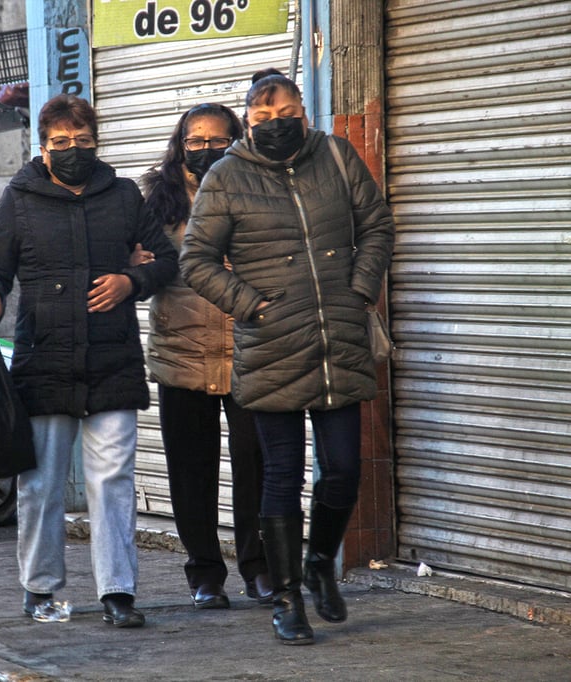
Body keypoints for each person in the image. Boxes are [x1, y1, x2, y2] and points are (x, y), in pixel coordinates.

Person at [180, 69, 395, 645]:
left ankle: (319, 563)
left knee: (345, 471)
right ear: (247, 122)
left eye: (286, 113)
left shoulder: (337, 156)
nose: (276, 125)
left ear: (303, 109)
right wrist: (252, 308)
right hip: (273, 346)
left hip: (337, 340)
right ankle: (287, 598)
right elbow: (196, 261)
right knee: (282, 475)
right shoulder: (226, 177)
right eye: (263, 117)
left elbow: (375, 225)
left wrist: (358, 290)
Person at [0, 94, 177, 628]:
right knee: (39, 483)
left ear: (96, 143)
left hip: (113, 360)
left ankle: (118, 592)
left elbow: (168, 260)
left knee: (112, 480)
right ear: (43, 146)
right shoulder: (19, 197)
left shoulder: (124, 195)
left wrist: (132, 280)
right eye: (61, 143)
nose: (73, 151)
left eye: (83, 142)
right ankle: (40, 588)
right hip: (44, 361)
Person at [139, 103, 272, 610]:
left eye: (218, 140)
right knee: (190, 473)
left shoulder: (262, 188)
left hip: (251, 352)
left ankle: (258, 568)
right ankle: (205, 575)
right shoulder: (158, 200)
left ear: (238, 141)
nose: (206, 149)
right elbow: (137, 264)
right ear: (180, 146)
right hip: (183, 353)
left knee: (254, 467)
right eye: (195, 141)